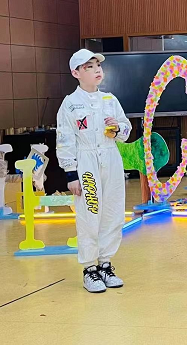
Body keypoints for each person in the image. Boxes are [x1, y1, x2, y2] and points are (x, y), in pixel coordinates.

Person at [56, 49, 132, 293]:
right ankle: (89, 268)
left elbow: (126, 130)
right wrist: (71, 173)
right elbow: (65, 140)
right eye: (89, 67)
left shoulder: (110, 99)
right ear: (76, 73)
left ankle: (105, 264)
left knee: (113, 211)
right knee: (89, 213)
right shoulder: (70, 104)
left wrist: (118, 128)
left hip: (111, 158)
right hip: (86, 162)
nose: (97, 70)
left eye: (98, 65)